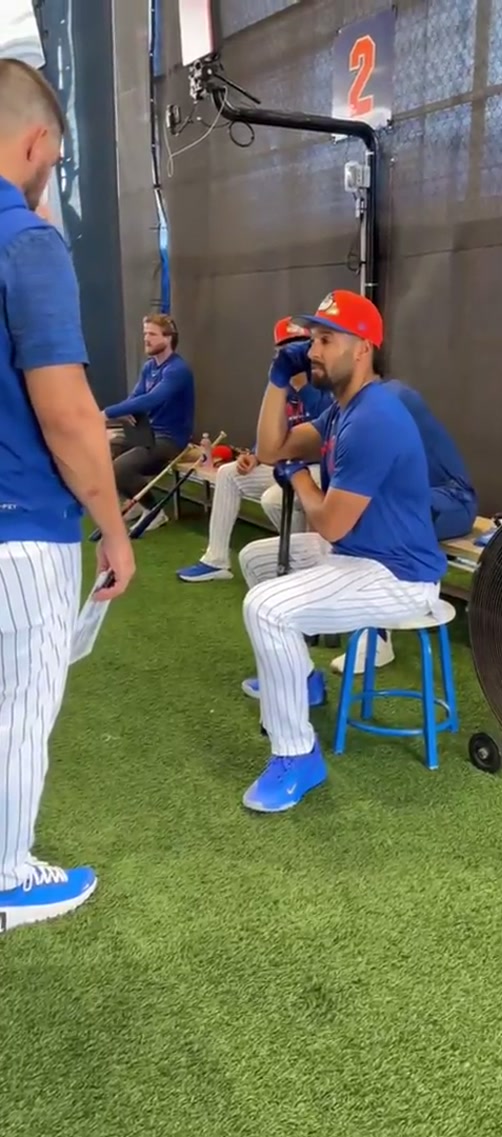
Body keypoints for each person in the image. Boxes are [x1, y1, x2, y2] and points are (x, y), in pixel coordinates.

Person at [0, 59, 135, 933]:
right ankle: (9, 876)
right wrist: (115, 532)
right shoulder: (27, 240)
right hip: (21, 527)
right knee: (20, 708)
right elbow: (67, 411)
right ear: (38, 141)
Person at [239, 289, 447, 814]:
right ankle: (303, 680)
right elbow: (270, 448)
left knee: (267, 608)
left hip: (398, 577)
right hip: (358, 556)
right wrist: (276, 379)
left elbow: (328, 520)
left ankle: (296, 755)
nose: (313, 350)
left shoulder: (375, 417)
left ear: (363, 349)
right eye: (312, 339)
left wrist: (300, 479)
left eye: (327, 340)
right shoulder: (342, 411)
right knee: (256, 562)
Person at [329, 378, 477, 676]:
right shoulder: (344, 407)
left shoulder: (389, 401)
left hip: (451, 498)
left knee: (371, 514)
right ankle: (352, 618)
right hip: (417, 496)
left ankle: (377, 640)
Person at [176, 317, 332, 582]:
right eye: (285, 348)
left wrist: (301, 387)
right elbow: (269, 434)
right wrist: (254, 456)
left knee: (273, 497)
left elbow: (325, 436)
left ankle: (300, 566)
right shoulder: (277, 385)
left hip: (319, 468)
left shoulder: (324, 383)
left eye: (298, 345)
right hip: (284, 465)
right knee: (228, 473)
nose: (292, 353)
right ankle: (216, 560)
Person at [104, 313, 195, 532]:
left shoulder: (177, 370)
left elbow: (153, 399)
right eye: (145, 333)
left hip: (170, 440)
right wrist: (128, 408)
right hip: (146, 433)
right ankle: (135, 502)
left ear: (168, 338)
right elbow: (136, 398)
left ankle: (155, 512)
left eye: (152, 334)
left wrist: (107, 413)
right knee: (103, 454)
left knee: (119, 469)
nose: (146, 339)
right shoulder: (149, 367)